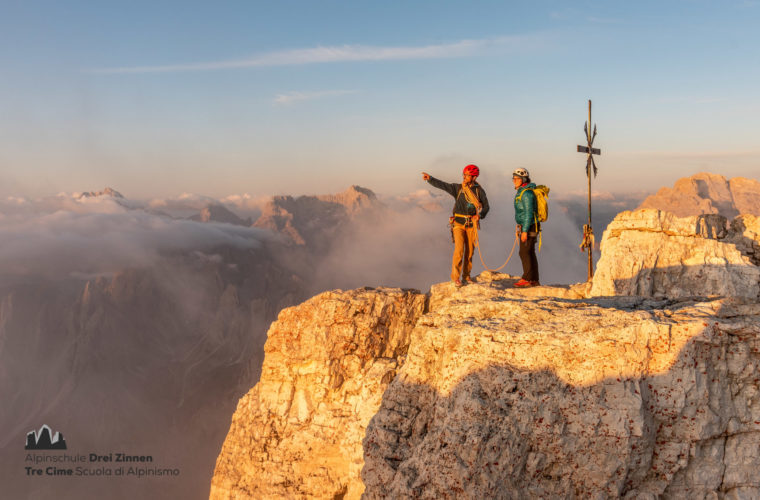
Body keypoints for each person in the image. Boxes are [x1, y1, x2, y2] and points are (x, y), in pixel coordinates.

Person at [422, 165, 490, 286]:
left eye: (467, 175)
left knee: (469, 252)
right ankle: (455, 277)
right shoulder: (458, 188)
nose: (464, 177)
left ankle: (466, 276)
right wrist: (430, 179)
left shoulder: (479, 191)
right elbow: (443, 185)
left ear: (474, 177)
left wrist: (480, 215)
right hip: (458, 223)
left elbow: (486, 207)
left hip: (471, 225)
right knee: (459, 250)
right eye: (463, 174)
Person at [512, 168, 540, 287]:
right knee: (529, 252)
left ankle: (527, 279)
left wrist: (524, 231)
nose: (514, 181)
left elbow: (528, 213)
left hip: (528, 226)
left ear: (523, 179)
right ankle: (534, 279)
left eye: (516, 178)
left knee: (524, 252)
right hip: (530, 225)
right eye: (513, 178)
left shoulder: (527, 193)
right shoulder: (523, 191)